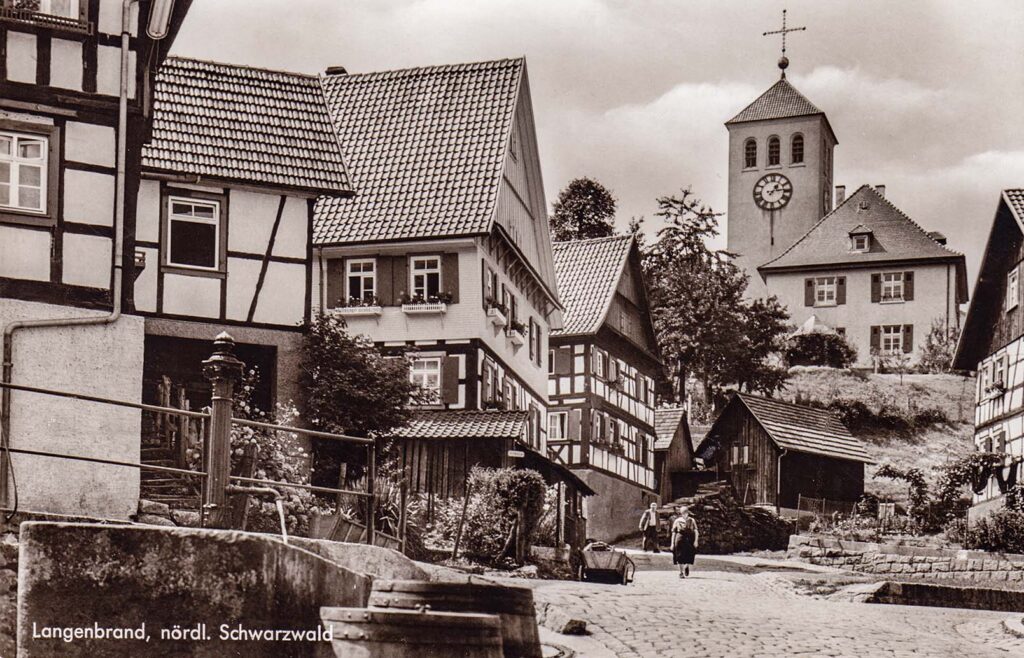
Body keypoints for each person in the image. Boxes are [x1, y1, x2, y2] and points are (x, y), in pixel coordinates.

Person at [671, 505, 699, 578]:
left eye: (686, 512)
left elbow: (696, 531)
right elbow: (674, 532)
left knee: (689, 555)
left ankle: (686, 566)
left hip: (689, 539)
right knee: (679, 556)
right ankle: (680, 572)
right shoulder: (677, 521)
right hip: (679, 538)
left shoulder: (692, 520)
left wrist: (696, 541)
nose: (684, 514)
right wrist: (672, 543)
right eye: (683, 512)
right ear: (681, 513)